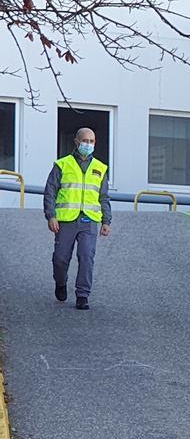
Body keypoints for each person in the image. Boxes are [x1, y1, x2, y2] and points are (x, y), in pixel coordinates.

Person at [44, 127, 111, 310]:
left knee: (86, 256)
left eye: (91, 141)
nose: (88, 144)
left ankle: (82, 295)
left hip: (89, 220)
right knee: (60, 258)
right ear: (76, 141)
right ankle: (60, 282)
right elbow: (50, 192)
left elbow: (103, 196)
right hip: (65, 220)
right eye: (85, 140)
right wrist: (51, 216)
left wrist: (106, 221)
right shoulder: (62, 165)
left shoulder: (100, 168)